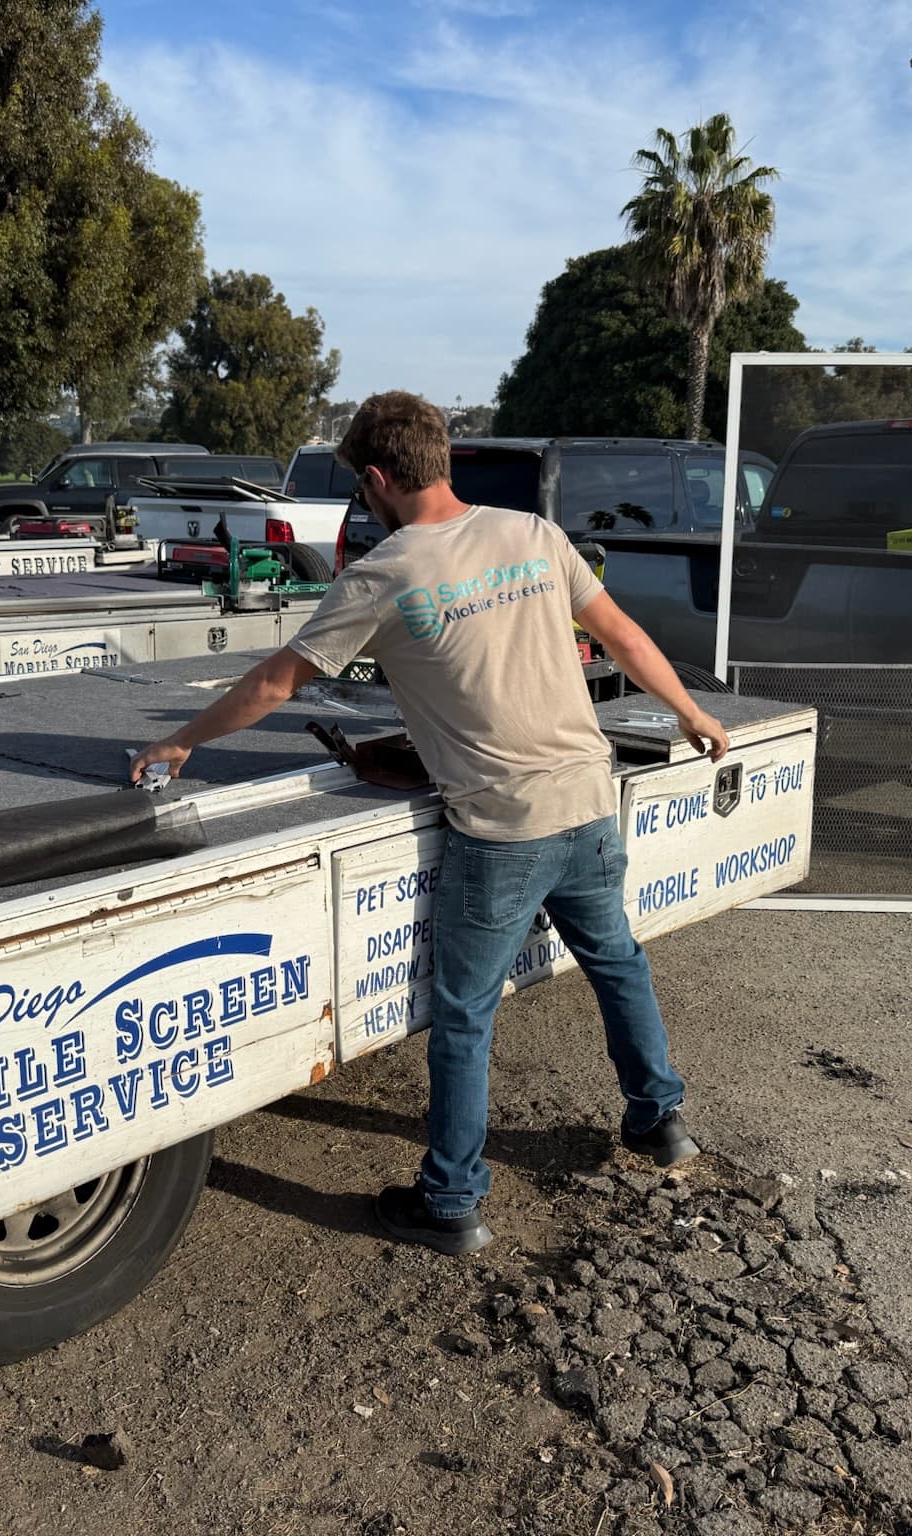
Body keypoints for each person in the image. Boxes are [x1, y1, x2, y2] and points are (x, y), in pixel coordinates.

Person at [130, 392, 729, 1255]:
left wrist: (182, 739)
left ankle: (450, 1201)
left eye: (361, 488)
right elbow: (625, 637)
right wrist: (691, 713)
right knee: (617, 961)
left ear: (377, 478)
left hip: (502, 823)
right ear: (442, 456)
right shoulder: (534, 535)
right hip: (588, 800)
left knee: (465, 1014)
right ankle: (659, 1120)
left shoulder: (385, 573)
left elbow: (275, 683)